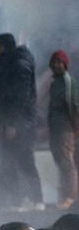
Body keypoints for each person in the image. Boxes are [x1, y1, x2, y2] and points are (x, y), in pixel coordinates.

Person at [0, 33, 42, 209]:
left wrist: (12, 124)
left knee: (25, 160)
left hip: (22, 123)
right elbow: (4, 97)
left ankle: (36, 199)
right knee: (11, 161)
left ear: (1, 47)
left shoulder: (18, 64)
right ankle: (18, 200)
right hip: (14, 122)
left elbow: (20, 96)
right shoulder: (10, 64)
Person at [47, 50, 79, 209]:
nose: (56, 65)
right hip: (56, 128)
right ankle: (65, 195)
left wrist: (76, 127)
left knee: (67, 162)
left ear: (65, 64)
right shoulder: (55, 83)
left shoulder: (68, 81)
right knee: (60, 161)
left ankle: (71, 197)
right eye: (54, 62)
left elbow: (74, 105)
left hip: (66, 129)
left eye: (59, 62)